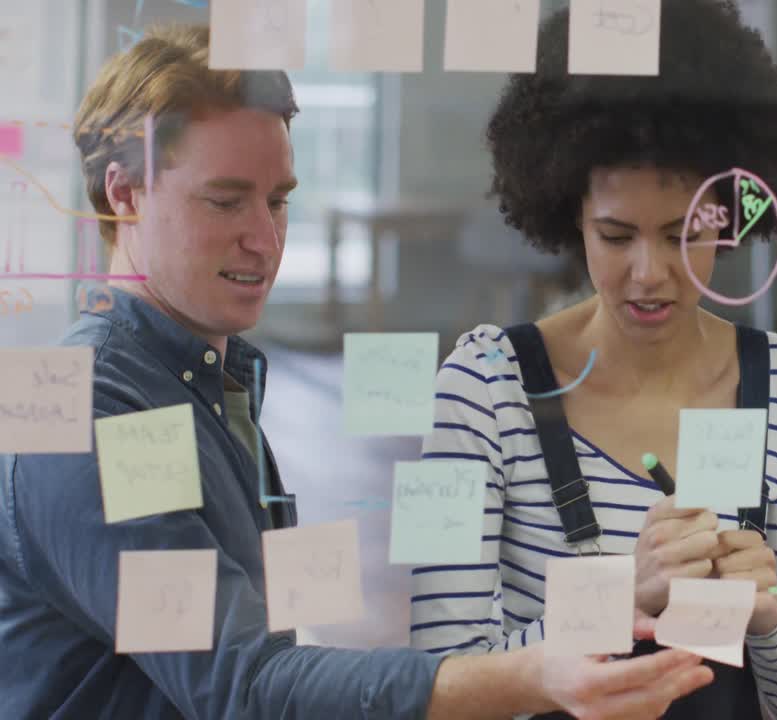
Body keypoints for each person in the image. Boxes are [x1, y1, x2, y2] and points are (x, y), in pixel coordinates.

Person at [0, 24, 714, 720]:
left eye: (278, 200)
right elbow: (246, 689)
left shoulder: (209, 379)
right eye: (225, 200)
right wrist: (532, 677)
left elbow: (281, 642)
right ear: (124, 194)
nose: (265, 237)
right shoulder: (94, 417)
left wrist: (589, 620)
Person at [410, 2, 777, 718]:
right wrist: (622, 597)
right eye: (615, 235)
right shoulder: (481, 389)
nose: (648, 273)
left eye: (681, 235)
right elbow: (438, 686)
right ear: (567, 214)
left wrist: (770, 615)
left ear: (726, 217)